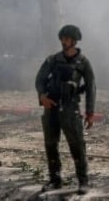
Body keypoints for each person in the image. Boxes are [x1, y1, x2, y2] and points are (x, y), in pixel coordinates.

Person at [35, 24, 96, 193]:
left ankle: (83, 181)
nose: (64, 41)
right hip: (51, 108)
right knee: (50, 144)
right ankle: (55, 180)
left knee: (77, 145)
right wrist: (42, 97)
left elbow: (91, 88)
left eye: (67, 38)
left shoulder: (83, 62)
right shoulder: (52, 60)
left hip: (71, 109)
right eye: (62, 38)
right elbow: (39, 80)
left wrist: (90, 112)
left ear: (74, 41)